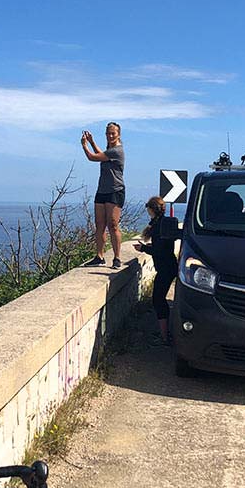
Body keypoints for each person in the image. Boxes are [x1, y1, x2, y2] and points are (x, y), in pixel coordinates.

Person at [81, 122, 125, 268]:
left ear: (118, 134)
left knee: (113, 225)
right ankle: (99, 256)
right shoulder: (109, 150)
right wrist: (93, 142)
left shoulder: (117, 151)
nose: (110, 136)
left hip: (115, 190)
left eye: (113, 133)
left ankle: (117, 257)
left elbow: (93, 157)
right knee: (100, 224)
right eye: (108, 133)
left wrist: (85, 145)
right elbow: (101, 155)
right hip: (102, 190)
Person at [134, 197, 178, 342]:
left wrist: (144, 248)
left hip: (165, 268)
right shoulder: (164, 224)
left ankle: (165, 336)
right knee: (160, 299)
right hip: (170, 266)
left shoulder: (159, 227)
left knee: (158, 300)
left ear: (152, 210)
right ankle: (165, 333)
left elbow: (159, 250)